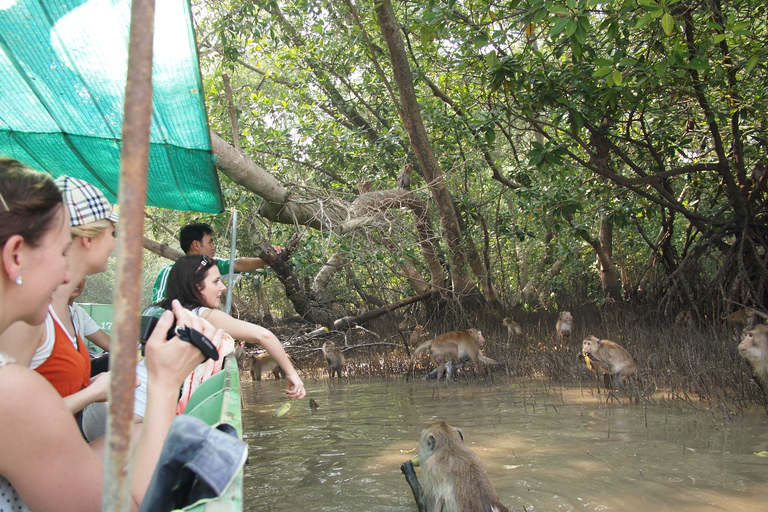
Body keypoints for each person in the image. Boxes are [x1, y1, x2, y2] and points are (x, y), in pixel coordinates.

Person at [0, 158, 212, 511]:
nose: (67, 277)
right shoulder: (14, 388)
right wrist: (163, 383)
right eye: (59, 250)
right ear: (15, 257)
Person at [0, 176, 118, 435]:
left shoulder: (69, 312)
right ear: (88, 237)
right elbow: (8, 421)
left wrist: (90, 388)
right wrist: (91, 394)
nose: (114, 243)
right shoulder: (31, 315)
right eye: (113, 233)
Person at [135, 254, 305, 419]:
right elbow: (264, 335)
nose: (223, 287)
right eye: (216, 281)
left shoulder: (156, 310)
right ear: (196, 285)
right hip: (145, 408)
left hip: (131, 394)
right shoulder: (202, 314)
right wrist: (292, 375)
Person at [152, 222, 281, 303]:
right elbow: (157, 307)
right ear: (196, 244)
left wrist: (268, 257)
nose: (213, 246)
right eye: (210, 242)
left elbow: (238, 264)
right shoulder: (169, 272)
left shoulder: (210, 267)